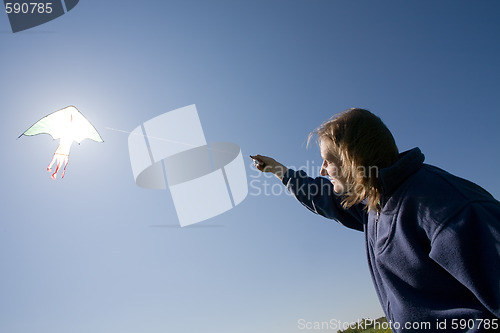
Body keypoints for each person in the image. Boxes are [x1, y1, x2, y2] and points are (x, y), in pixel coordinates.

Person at [251, 108, 500, 333]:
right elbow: (323, 197)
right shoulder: (375, 205)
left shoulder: (447, 208)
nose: (322, 170)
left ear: (353, 158)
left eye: (328, 160)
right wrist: (278, 170)